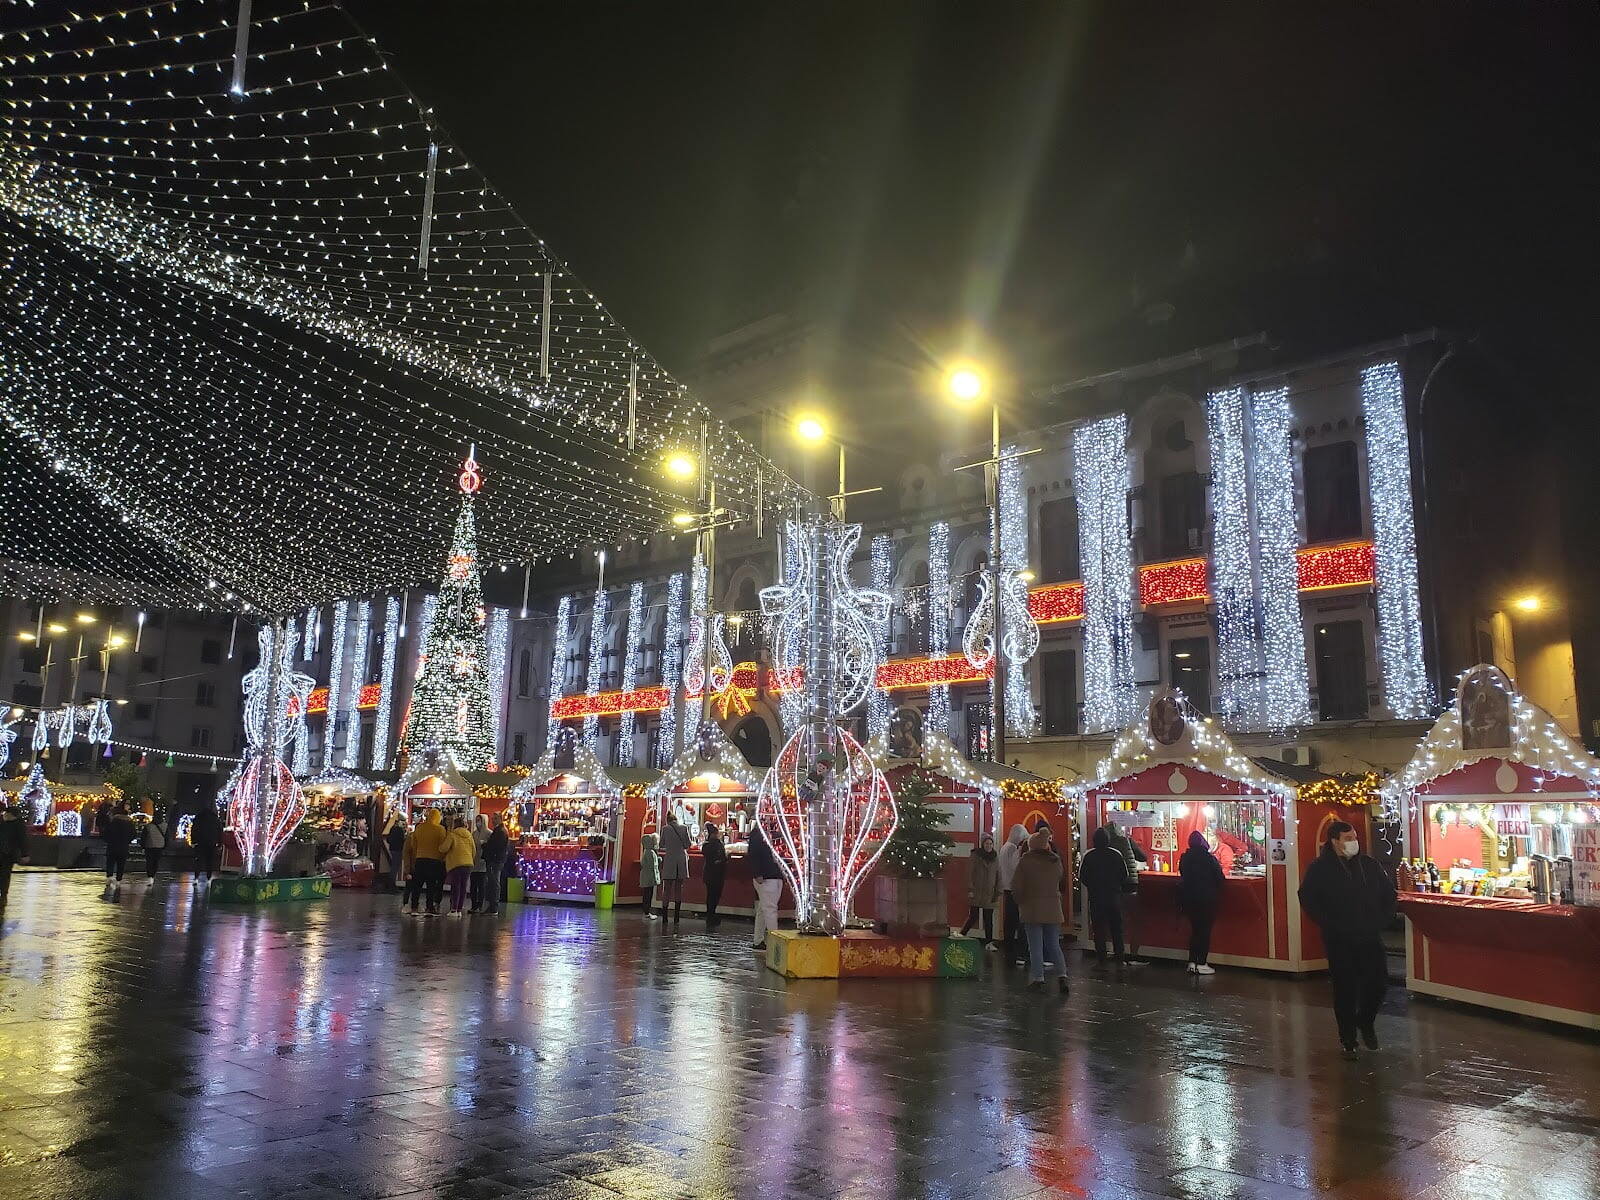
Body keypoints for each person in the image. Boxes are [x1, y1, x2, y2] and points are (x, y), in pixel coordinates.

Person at [1299, 820, 1396, 1060]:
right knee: (1345, 988)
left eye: (1355, 837)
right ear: (1335, 841)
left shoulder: (1369, 865)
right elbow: (1308, 898)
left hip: (1369, 934)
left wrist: (1382, 919)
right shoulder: (1320, 869)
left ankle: (1365, 1020)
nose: (1354, 842)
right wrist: (1329, 923)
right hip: (1339, 937)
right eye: (1348, 838)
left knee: (1378, 982)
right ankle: (1348, 1037)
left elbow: (1388, 894)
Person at [1012, 828, 1069, 993]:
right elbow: (1060, 879)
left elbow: (1016, 886)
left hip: (1032, 908)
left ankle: (1038, 978)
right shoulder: (1055, 861)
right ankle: (1062, 975)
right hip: (1053, 908)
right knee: (1053, 944)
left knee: (1035, 945)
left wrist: (1019, 901)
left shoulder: (1025, 861)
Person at [1079, 827, 1132, 964]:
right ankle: (1119, 956)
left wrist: (1093, 887)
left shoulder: (1089, 855)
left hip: (1096, 898)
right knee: (1116, 929)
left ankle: (1101, 957)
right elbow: (1124, 874)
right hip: (1113, 897)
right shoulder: (1116, 854)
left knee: (1099, 929)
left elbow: (1083, 877)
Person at [1100, 821, 1149, 965]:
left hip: (1114, 889)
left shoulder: (1105, 847)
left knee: (1116, 922)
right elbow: (1143, 857)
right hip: (1130, 886)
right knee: (1135, 921)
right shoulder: (1126, 840)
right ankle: (1133, 955)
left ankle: (1116, 953)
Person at [1177, 830, 1225, 975]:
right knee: (1204, 931)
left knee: (1195, 930)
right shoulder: (1209, 859)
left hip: (1189, 899)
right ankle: (1202, 963)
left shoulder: (1185, 858)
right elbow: (1220, 878)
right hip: (1206, 899)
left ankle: (1192, 962)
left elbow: (1183, 875)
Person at [404, 808, 449, 915]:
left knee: (417, 885)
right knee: (431, 886)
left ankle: (414, 907)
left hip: (420, 859)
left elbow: (414, 844)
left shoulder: (420, 828)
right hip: (434, 861)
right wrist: (442, 858)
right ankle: (429, 907)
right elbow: (443, 847)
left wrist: (417, 856)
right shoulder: (441, 829)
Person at [960, 834, 1001, 949]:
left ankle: (989, 942)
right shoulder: (975, 856)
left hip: (989, 892)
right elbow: (969, 873)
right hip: (977, 891)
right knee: (973, 916)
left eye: (991, 844)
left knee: (988, 919)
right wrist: (970, 889)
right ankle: (962, 934)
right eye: (987, 843)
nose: (989, 846)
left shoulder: (995, 857)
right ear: (983, 844)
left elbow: (999, 874)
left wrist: (998, 891)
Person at [747, 823, 783, 949]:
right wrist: (757, 873)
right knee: (770, 910)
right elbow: (753, 854)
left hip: (771, 876)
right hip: (768, 876)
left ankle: (758, 940)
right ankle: (775, 944)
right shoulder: (760, 834)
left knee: (764, 909)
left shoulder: (762, 833)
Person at [997, 823, 1029, 965]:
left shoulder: (1004, 847)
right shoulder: (1012, 849)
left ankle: (1008, 947)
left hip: (1006, 887)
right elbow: (1016, 867)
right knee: (1016, 919)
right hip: (1013, 887)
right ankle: (1016, 950)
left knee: (1009, 920)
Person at [657, 811, 691, 923]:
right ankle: (676, 916)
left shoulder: (665, 829)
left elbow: (661, 844)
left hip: (670, 860)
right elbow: (687, 845)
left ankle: (665, 916)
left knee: (667, 888)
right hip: (681, 860)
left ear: (668, 820)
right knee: (678, 888)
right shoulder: (684, 828)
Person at [443, 814, 476, 916]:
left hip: (456, 863)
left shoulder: (452, 834)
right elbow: (474, 850)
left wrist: (439, 848)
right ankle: (459, 910)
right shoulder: (469, 835)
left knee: (456, 886)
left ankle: (453, 909)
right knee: (463, 887)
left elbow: (444, 848)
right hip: (468, 863)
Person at [102, 801, 136, 892]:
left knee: (110, 861)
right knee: (121, 863)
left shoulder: (113, 822)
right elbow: (134, 834)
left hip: (112, 845)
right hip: (123, 846)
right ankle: (118, 879)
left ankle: (109, 877)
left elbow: (106, 833)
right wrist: (127, 841)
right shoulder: (130, 823)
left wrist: (108, 840)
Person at [0, 801, 29, 904]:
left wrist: (24, 854)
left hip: (8, 854)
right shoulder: (8, 822)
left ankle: (3, 894)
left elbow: (22, 840)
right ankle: (3, 894)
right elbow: (22, 840)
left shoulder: (17, 824)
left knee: (5, 874)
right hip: (7, 853)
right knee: (5, 875)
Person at [482, 813, 509, 916]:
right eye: (492, 818)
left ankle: (494, 906)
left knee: (494, 882)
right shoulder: (501, 830)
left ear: (500, 819)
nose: (493, 820)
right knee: (493, 882)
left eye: (495, 818)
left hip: (495, 860)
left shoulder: (500, 832)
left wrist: (485, 845)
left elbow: (495, 846)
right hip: (497, 860)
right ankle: (493, 906)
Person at [701, 822, 727, 930]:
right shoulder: (718, 844)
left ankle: (710, 915)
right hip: (718, 874)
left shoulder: (706, 845)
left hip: (708, 873)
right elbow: (723, 858)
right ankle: (711, 915)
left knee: (710, 895)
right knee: (715, 896)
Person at [191, 803, 223, 890]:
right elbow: (220, 832)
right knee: (210, 862)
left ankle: (196, 878)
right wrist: (219, 843)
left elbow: (194, 830)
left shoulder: (198, 818)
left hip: (200, 843)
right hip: (211, 843)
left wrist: (193, 841)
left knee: (199, 861)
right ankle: (208, 878)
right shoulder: (215, 819)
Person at [467, 814, 489, 913]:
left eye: (479, 820)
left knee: (481, 886)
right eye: (477, 820)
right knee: (473, 886)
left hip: (483, 863)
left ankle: (480, 905)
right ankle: (473, 905)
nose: (478, 823)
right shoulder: (474, 834)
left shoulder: (489, 833)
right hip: (474, 862)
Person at [383, 811, 407, 893]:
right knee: (395, 867)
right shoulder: (400, 830)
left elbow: (388, 839)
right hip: (398, 849)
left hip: (393, 849)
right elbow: (402, 840)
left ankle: (390, 884)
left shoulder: (392, 828)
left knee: (394, 866)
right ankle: (391, 884)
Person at [639, 830, 660, 920]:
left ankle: (646, 911)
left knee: (646, 893)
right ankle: (647, 911)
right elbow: (653, 865)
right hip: (650, 876)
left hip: (646, 875)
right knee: (648, 894)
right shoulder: (651, 852)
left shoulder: (646, 851)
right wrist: (659, 860)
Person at [142, 812, 167, 884]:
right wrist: (165, 846)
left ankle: (150, 876)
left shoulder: (148, 826)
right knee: (156, 862)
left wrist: (143, 846)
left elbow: (143, 837)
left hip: (149, 846)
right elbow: (167, 837)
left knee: (149, 862)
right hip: (160, 846)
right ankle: (153, 875)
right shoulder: (165, 826)